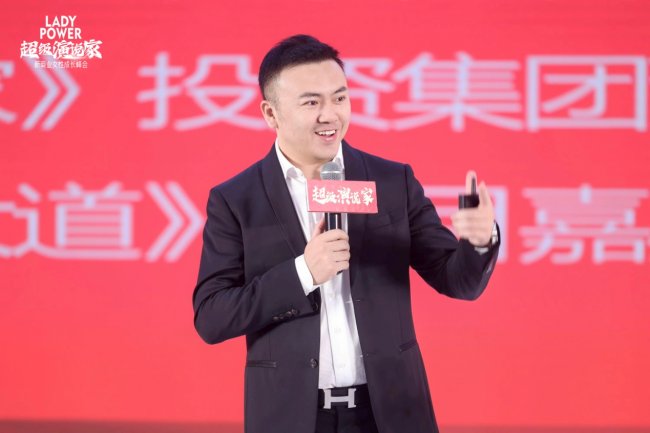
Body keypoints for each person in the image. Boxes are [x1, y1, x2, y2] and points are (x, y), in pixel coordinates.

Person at [192, 34, 499, 433]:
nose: (330, 115)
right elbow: (212, 317)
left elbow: (457, 280)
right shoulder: (236, 199)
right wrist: (304, 272)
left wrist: (478, 242)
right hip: (290, 416)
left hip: (389, 412)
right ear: (271, 113)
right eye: (311, 103)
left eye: (339, 98)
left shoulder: (391, 182)